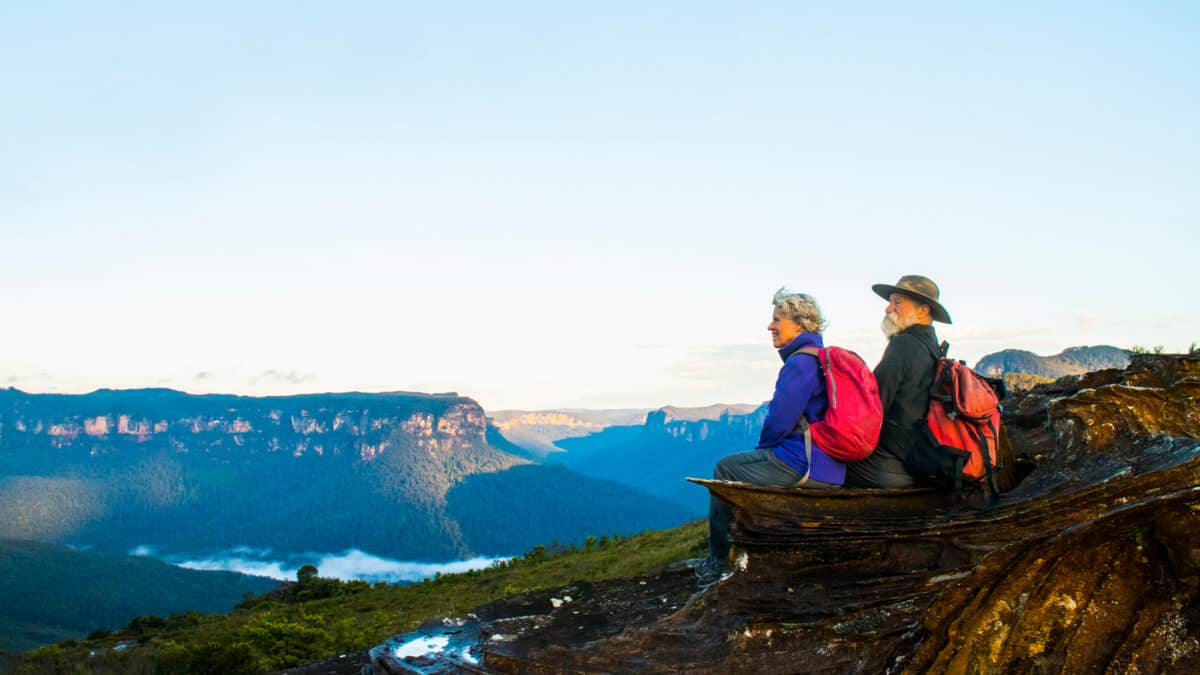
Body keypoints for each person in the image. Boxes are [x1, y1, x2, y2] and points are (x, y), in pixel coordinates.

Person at [696, 288, 844, 587]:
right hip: (829, 464)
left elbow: (780, 420)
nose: (770, 326)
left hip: (805, 463)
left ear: (799, 325)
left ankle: (716, 562)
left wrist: (762, 454)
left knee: (725, 469)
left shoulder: (800, 363)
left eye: (777, 319)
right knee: (741, 467)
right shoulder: (820, 357)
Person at [844, 275, 951, 489]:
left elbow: (873, 403)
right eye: (890, 302)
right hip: (914, 457)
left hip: (887, 463)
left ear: (923, 311)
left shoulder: (904, 344)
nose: (889, 309)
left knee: (818, 462)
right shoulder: (932, 348)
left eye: (898, 303)